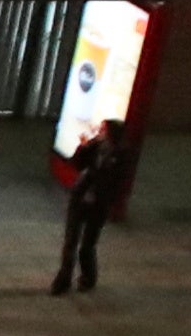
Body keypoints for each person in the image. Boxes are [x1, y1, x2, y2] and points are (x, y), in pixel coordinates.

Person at [48, 114, 133, 294]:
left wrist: (105, 197)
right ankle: (63, 281)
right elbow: (77, 164)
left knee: (87, 244)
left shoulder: (121, 154)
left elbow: (116, 181)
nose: (99, 132)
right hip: (80, 198)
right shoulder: (96, 146)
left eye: (103, 129)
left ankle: (88, 276)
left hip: (98, 204)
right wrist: (84, 146)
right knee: (70, 242)